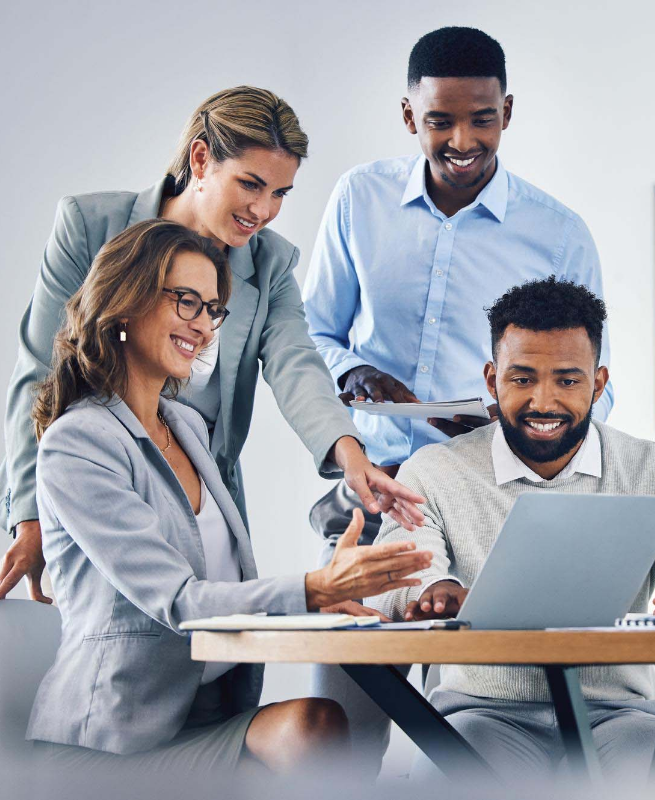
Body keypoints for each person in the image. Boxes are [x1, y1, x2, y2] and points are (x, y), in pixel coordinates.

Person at [28, 219, 432, 779]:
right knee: (314, 730)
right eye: (186, 302)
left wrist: (316, 603)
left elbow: (224, 584)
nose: (202, 326)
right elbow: (180, 601)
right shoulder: (78, 443)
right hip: (112, 743)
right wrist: (312, 590)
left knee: (322, 725)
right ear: (125, 303)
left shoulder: (188, 426)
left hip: (212, 716)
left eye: (213, 310)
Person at [0, 85, 424, 605]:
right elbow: (40, 371)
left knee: (223, 658)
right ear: (201, 158)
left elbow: (297, 365)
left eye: (280, 193)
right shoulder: (91, 228)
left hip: (202, 493)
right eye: (251, 184)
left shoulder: (268, 265)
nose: (263, 209)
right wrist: (31, 515)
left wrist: (352, 454)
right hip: (101, 480)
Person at [302, 27, 613, 564]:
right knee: (347, 647)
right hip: (376, 492)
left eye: (482, 119)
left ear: (507, 112)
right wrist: (354, 374)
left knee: (485, 650)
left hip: (492, 502)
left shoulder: (559, 235)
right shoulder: (360, 198)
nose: (463, 141)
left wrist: (522, 423)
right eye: (439, 121)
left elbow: (596, 388)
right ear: (408, 116)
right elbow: (310, 337)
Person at [368, 277, 655, 789]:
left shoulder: (648, 469)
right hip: (483, 714)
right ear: (491, 377)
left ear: (600, 382)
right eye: (522, 379)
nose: (543, 401)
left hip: (619, 717)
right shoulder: (434, 470)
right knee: (443, 783)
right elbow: (402, 560)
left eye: (568, 381)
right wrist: (432, 590)